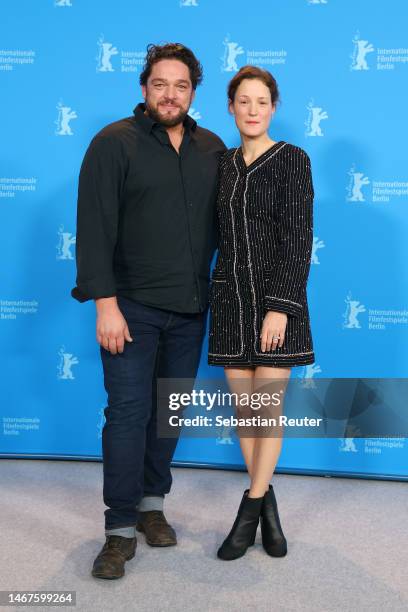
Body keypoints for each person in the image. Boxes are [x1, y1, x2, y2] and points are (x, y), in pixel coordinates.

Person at [71, 43, 226, 579]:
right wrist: (105, 306)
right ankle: (117, 531)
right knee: (128, 414)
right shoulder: (114, 142)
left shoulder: (212, 147)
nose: (170, 94)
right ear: (144, 89)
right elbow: (94, 228)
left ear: (192, 92)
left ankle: (152, 507)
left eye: (180, 85)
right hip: (131, 309)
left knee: (169, 413)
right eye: (160, 84)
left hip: (190, 309)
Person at [208, 65, 315, 560]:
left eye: (262, 102)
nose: (253, 110)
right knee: (245, 415)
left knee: (265, 412)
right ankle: (267, 506)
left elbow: (298, 239)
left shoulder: (293, 160)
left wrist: (282, 308)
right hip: (230, 302)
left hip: (277, 305)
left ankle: (247, 513)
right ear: (230, 107)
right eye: (243, 101)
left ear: (274, 108)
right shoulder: (222, 164)